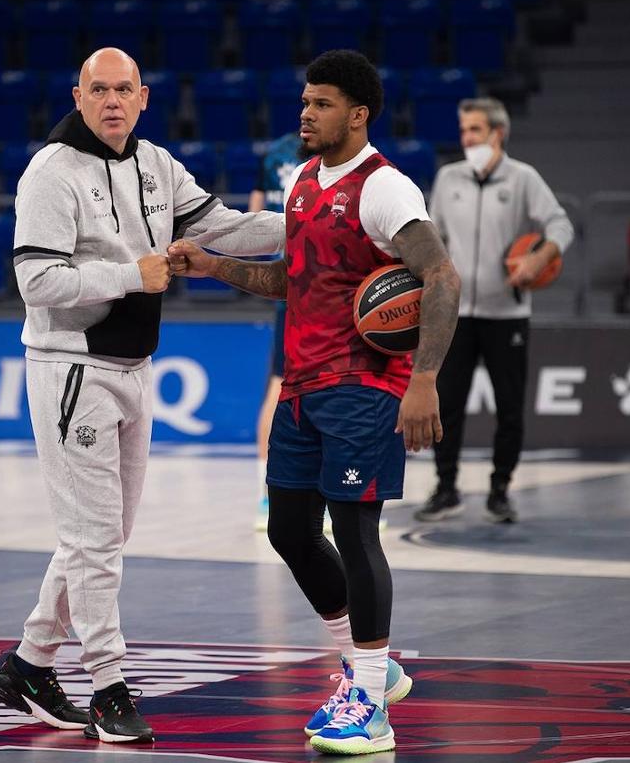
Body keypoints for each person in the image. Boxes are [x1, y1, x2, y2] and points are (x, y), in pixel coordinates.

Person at [0, 47, 285, 745]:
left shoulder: (156, 164)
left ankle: (30, 664)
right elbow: (37, 283)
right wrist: (127, 274)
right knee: (93, 542)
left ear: (143, 97)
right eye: (100, 90)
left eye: (125, 89)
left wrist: (318, 222)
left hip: (132, 367)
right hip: (71, 371)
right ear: (79, 95)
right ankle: (109, 688)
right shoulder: (51, 173)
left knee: (103, 537)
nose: (113, 100)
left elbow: (224, 226)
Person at [169, 50, 460, 756]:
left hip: (364, 390)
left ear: (358, 115)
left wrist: (424, 380)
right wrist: (214, 267)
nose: (306, 112)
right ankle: (373, 669)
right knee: (290, 533)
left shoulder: (385, 189)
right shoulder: (301, 183)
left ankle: (370, 702)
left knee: (357, 535)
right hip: (302, 386)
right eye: (305, 100)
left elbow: (442, 276)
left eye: (322, 103)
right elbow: (292, 282)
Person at [413, 97, 574, 525]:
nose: (467, 138)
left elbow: (561, 224)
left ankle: (500, 490)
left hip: (508, 315)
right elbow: (432, 238)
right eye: (464, 130)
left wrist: (539, 258)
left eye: (475, 131)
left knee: (509, 406)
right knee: (446, 404)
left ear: (497, 134)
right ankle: (445, 488)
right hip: (455, 313)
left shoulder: (523, 179)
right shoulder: (448, 179)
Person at [248, 132, 301, 531]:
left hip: (289, 284)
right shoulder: (331, 154)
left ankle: (267, 492)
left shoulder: (273, 154)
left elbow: (253, 220)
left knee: (279, 385)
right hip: (310, 288)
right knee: (285, 386)